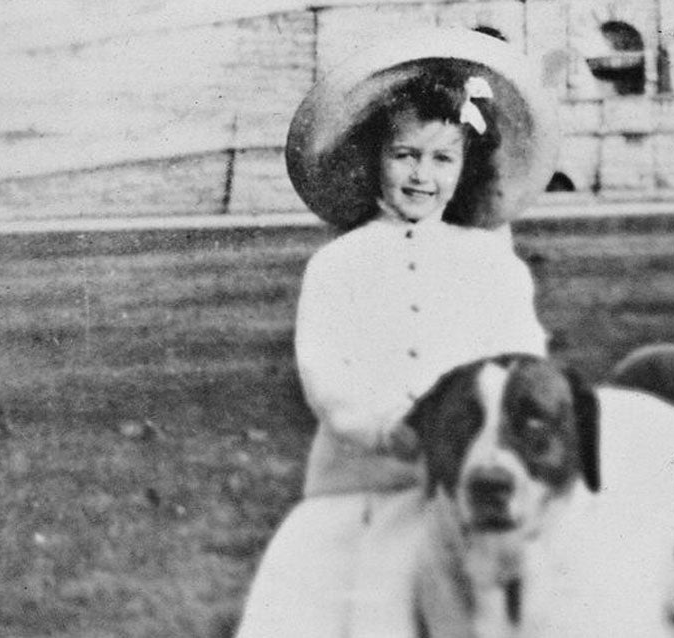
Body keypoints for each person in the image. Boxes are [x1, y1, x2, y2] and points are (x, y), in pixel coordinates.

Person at [236, 28, 560, 638]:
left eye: (442, 159)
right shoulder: (339, 264)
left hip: (456, 492)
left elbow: (523, 370)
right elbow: (327, 377)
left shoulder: (493, 265)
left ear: (466, 169)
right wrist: (389, 428)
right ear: (374, 158)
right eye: (405, 155)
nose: (422, 175)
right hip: (354, 486)